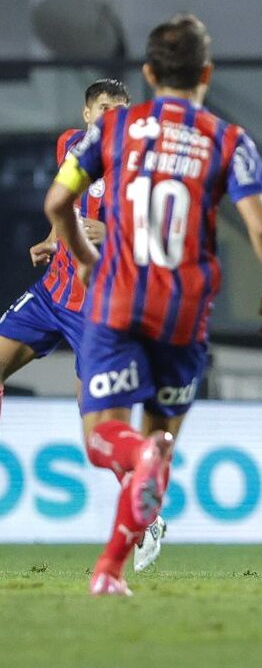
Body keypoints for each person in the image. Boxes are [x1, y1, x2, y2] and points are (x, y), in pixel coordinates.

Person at [44, 14, 262, 595]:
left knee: (106, 439)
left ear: (149, 74)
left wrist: (84, 256)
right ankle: (109, 570)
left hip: (117, 300)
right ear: (206, 73)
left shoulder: (112, 129)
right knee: (162, 442)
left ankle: (133, 478)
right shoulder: (228, 139)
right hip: (184, 312)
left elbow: (58, 204)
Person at [0, 80, 167, 571]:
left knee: (96, 428)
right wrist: (55, 238)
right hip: (51, 294)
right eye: (104, 108)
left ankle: (145, 509)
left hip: (99, 310)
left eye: (121, 110)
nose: (112, 117)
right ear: (87, 113)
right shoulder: (69, 145)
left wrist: (111, 232)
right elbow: (67, 200)